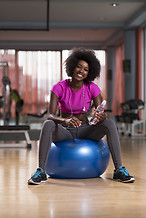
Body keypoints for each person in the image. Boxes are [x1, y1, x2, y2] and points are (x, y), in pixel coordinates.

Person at [28, 48, 135, 185]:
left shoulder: (92, 88)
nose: (81, 71)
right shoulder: (59, 87)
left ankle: (119, 169)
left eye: (86, 69)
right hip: (65, 131)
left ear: (89, 73)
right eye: (79, 67)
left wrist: (100, 115)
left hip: (86, 130)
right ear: (73, 67)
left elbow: (102, 114)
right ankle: (41, 171)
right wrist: (65, 120)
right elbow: (49, 115)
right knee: (48, 124)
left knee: (109, 123)